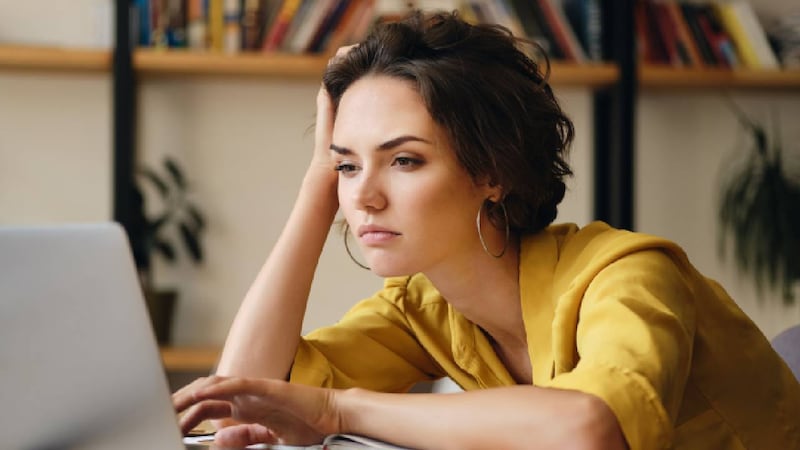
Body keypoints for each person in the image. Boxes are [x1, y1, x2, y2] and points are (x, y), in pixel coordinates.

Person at [173, 11, 800, 450]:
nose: (362, 195)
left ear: (492, 171)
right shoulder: (424, 309)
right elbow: (237, 400)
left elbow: (587, 431)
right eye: (348, 165)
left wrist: (340, 410)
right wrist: (317, 184)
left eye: (405, 160)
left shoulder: (628, 274)